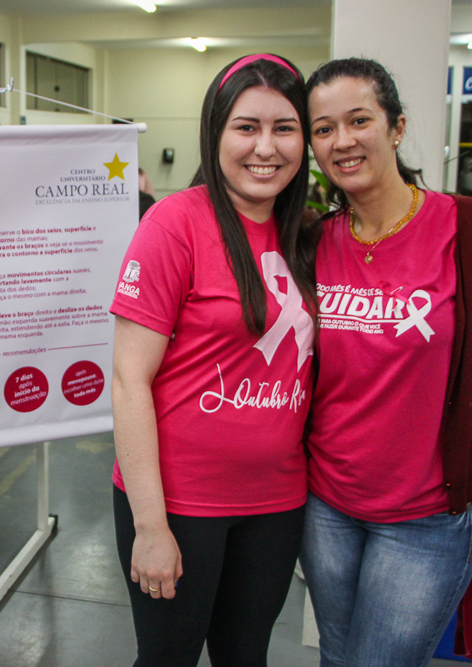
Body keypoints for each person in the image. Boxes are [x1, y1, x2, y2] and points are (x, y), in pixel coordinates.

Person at [300, 57, 472, 667]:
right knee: (336, 655)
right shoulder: (316, 240)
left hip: (426, 517)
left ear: (397, 127)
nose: (342, 141)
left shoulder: (469, 228)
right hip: (325, 506)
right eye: (323, 129)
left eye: (359, 120)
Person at [110, 54, 319, 667]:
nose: (266, 147)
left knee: (245, 657)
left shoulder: (306, 233)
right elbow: (129, 381)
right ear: (216, 133)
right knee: (167, 658)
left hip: (277, 503)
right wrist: (151, 527)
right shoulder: (175, 223)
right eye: (246, 127)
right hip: (181, 504)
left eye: (284, 128)